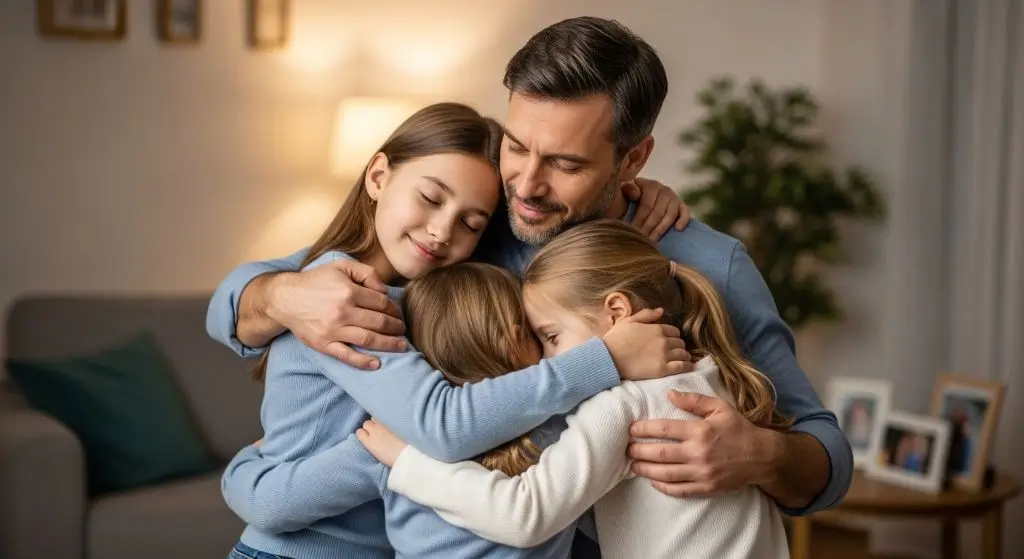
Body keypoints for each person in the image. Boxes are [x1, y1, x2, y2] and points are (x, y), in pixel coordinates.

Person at [208, 16, 852, 556]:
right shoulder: (470, 223)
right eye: (516, 146)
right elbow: (240, 301)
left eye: (566, 164)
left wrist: (761, 455)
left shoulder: (708, 262)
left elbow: (826, 453)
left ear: (633, 161)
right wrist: (285, 296)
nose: (526, 184)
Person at [221, 102, 689, 559]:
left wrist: (632, 193)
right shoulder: (341, 293)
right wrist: (606, 358)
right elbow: (441, 427)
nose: (442, 231)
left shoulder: (443, 296)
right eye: (429, 197)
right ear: (378, 175)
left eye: (470, 223)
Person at [358, 220, 792, 559]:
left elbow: (524, 515)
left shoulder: (623, 406)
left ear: (617, 313)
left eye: (551, 337)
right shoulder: (712, 377)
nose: (548, 360)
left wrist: (408, 462)